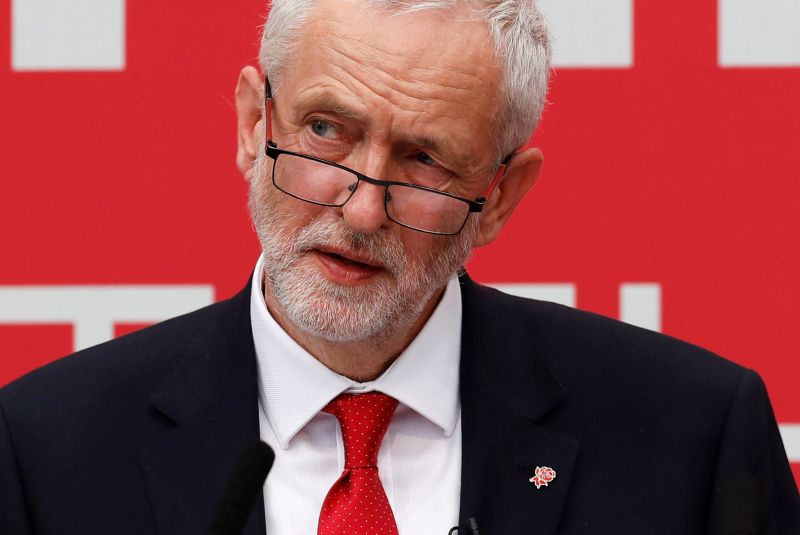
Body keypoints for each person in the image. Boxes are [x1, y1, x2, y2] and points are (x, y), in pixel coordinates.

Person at [1, 0, 798, 533]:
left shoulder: (691, 440)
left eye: (424, 160)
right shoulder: (47, 452)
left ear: (502, 193)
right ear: (253, 124)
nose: (360, 209)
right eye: (325, 131)